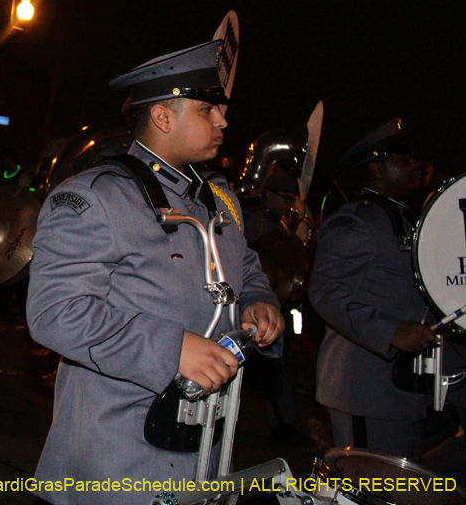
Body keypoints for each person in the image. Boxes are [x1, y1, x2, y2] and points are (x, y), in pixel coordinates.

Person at [26, 38, 284, 505]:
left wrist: (258, 300)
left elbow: (243, 263)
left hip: (206, 440)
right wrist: (171, 349)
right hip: (117, 453)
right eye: (207, 110)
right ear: (163, 117)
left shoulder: (217, 195)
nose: (223, 120)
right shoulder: (96, 197)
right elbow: (54, 312)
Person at [309, 117, 435, 460]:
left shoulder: (404, 218)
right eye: (401, 158)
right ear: (377, 168)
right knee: (370, 492)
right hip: (363, 389)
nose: (413, 165)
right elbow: (325, 291)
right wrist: (391, 331)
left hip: (396, 389)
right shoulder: (356, 220)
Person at [240, 168, 316, 446]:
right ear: (268, 194)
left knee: (277, 367)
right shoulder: (251, 219)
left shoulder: (279, 222)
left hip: (273, 301)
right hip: (250, 307)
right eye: (283, 198)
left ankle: (284, 422)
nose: (287, 205)